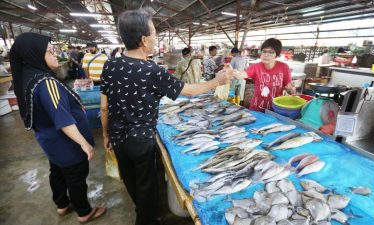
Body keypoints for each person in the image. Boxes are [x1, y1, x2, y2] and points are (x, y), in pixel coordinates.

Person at [100, 9, 233, 225]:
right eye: (153, 33)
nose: (155, 38)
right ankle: (146, 220)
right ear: (143, 40)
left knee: (132, 182)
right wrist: (216, 81)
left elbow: (104, 106)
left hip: (117, 136)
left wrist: (105, 133)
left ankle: (141, 212)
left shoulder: (110, 64)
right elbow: (188, 91)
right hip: (140, 140)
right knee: (146, 188)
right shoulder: (152, 70)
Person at [9, 33, 106, 224]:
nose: (55, 54)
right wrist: (84, 144)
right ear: (35, 54)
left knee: (58, 171)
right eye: (49, 51)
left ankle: (62, 204)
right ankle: (84, 212)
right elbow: (62, 119)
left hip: (50, 141)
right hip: (65, 143)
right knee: (76, 176)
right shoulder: (46, 82)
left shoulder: (28, 76)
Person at [233, 38, 296, 112]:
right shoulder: (256, 67)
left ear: (277, 55)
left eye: (270, 52)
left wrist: (291, 89)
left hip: (275, 111)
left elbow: (291, 91)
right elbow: (241, 75)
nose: (266, 55)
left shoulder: (283, 67)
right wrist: (233, 72)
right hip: (256, 110)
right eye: (264, 51)